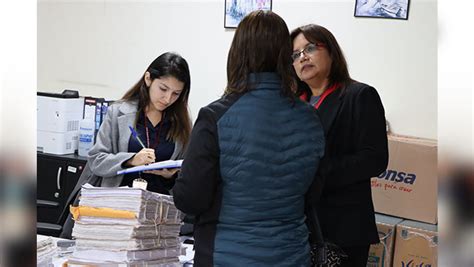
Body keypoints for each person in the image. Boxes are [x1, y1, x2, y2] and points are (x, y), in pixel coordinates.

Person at [172, 10, 325, 266]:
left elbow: (191, 198)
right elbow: (313, 193)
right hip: (292, 254)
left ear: (237, 53)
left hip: (227, 256)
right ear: (285, 56)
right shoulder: (310, 117)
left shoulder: (216, 116)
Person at [60, 52, 192, 238]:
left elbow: (186, 172)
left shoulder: (182, 125)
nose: (168, 98)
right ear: (148, 79)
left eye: (176, 93)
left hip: (156, 216)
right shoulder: (118, 112)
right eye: (163, 89)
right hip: (116, 209)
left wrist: (171, 175)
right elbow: (97, 160)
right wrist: (131, 160)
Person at [290, 24, 389, 267]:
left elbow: (375, 158)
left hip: (342, 228)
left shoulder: (359, 96)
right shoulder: (292, 105)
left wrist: (319, 171)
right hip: (297, 227)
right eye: (295, 54)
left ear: (331, 51)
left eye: (310, 48)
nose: (303, 57)